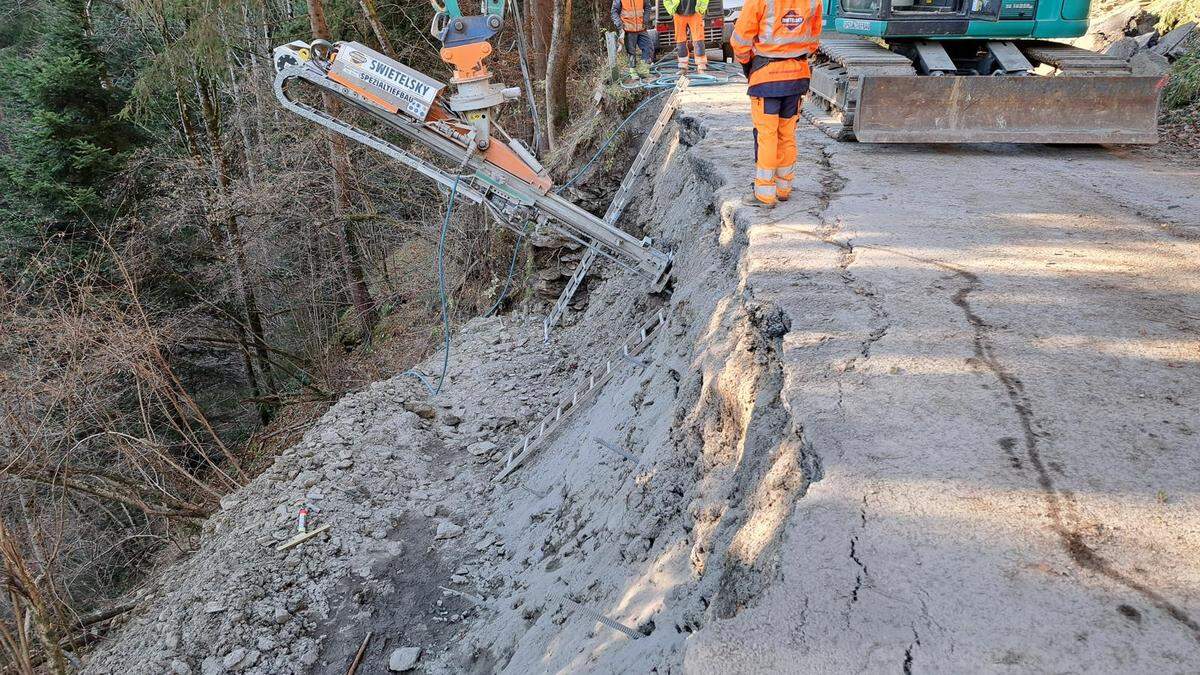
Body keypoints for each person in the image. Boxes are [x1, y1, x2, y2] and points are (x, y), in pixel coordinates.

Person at [729, 0, 822, 207]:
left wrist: (748, 63)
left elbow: (740, 41)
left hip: (767, 78)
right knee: (787, 134)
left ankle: (764, 192)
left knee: (767, 135)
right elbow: (814, 40)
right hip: (797, 76)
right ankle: (783, 188)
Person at [612, 0, 655, 80]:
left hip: (641, 28)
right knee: (631, 52)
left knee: (648, 47)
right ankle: (633, 71)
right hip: (628, 29)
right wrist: (620, 26)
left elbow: (648, 7)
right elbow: (614, 12)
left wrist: (645, 20)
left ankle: (643, 70)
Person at [664, 0, 708, 73]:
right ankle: (683, 66)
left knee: (698, 40)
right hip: (679, 14)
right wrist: (671, 9)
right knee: (680, 41)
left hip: (695, 13)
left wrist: (701, 9)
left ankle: (701, 66)